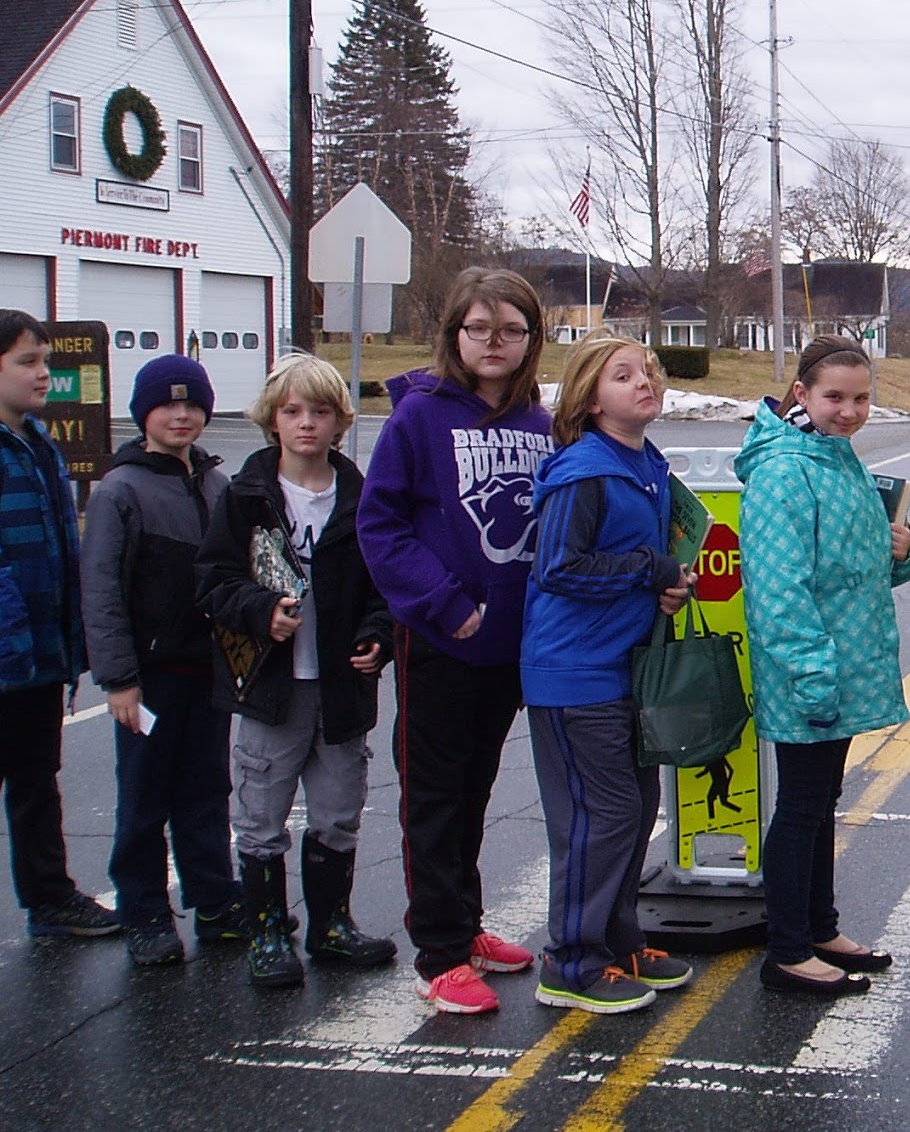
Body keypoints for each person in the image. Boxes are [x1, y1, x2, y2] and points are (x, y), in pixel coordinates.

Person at [358, 268, 555, 1015]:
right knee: (434, 795)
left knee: (474, 791)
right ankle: (438, 950)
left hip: (511, 644)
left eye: (511, 329)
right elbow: (380, 525)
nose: (495, 342)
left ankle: (466, 924)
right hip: (443, 639)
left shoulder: (541, 424)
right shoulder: (418, 416)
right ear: (455, 334)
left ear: (531, 339)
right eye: (480, 328)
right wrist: (443, 603)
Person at [195, 353, 396, 988]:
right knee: (261, 814)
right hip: (270, 689)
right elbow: (214, 581)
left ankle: (331, 924)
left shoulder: (362, 497)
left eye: (320, 412)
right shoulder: (247, 497)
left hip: (339, 690)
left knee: (338, 810)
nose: (306, 424)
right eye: (292, 412)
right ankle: (266, 931)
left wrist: (377, 637)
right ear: (271, 420)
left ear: (340, 422)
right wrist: (260, 612)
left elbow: (384, 586)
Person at [735, 335, 910, 997]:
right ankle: (787, 948)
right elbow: (778, 588)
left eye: (862, 397)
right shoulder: (784, 472)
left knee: (820, 803)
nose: (849, 410)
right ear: (802, 394)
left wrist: (901, 548)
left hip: (841, 666)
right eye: (834, 397)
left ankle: (820, 927)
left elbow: (853, 568)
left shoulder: (834, 457)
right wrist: (813, 674)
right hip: (812, 671)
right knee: (802, 805)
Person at [521, 333, 695, 1015]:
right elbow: (557, 567)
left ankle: (620, 941)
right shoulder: (584, 470)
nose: (643, 381)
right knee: (600, 815)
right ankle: (570, 958)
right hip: (574, 672)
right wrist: (646, 571)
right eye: (623, 376)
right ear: (591, 400)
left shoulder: (645, 463)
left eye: (647, 370)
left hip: (626, 667)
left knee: (636, 809)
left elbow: (631, 563)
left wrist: (665, 586)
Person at [81, 354, 245, 965]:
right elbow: (100, 591)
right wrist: (118, 678)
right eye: (167, 405)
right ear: (143, 413)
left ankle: (215, 900)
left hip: (208, 672)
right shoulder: (121, 490)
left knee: (206, 788)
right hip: (149, 677)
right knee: (145, 794)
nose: (181, 415)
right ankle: (145, 909)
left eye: (193, 404)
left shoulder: (215, 484)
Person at [0, 309, 120, 941]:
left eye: (44, 360)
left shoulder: (38, 443)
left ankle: (49, 897)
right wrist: (16, 643)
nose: (44, 374)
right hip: (9, 655)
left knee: (36, 780)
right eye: (26, 362)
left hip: (36, 658)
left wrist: (66, 641)